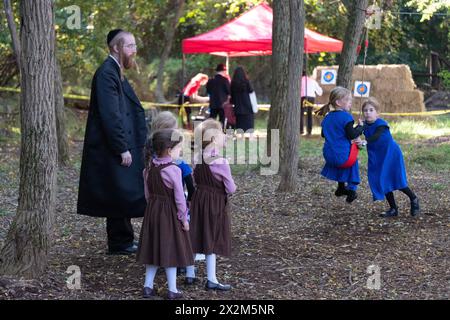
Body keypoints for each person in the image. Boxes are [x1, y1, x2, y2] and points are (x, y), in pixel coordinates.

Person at [77, 29, 147, 255]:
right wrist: (121, 147)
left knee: (120, 190)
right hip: (113, 146)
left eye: (134, 46)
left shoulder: (115, 72)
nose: (133, 51)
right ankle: (120, 242)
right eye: (129, 46)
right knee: (119, 190)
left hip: (119, 143)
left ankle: (123, 240)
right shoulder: (107, 73)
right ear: (115, 47)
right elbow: (111, 114)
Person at [136, 129, 194, 300]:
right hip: (169, 215)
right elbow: (179, 199)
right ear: (169, 150)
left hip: (152, 213)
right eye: (178, 148)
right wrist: (184, 219)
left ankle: (148, 287)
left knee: (153, 249)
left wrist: (154, 209)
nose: (180, 152)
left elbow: (147, 195)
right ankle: (173, 290)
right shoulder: (173, 170)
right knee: (171, 251)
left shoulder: (148, 169)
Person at [187, 119, 236, 291]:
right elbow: (230, 187)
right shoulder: (220, 161)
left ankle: (190, 274)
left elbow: (194, 180)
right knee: (211, 237)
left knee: (196, 232)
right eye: (222, 132)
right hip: (214, 203)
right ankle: (212, 279)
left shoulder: (196, 158)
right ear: (214, 138)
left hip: (199, 200)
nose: (225, 135)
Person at [361, 98, 420, 218]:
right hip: (378, 156)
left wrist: (364, 141)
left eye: (371, 110)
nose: (368, 112)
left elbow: (376, 136)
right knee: (383, 180)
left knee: (397, 180)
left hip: (391, 154)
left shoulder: (381, 124)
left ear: (377, 113)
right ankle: (393, 209)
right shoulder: (364, 125)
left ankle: (414, 199)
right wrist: (357, 129)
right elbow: (353, 133)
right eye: (365, 110)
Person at [316, 86, 364, 203]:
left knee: (342, 161)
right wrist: (360, 127)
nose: (350, 102)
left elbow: (323, 134)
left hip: (328, 155)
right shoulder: (346, 117)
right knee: (352, 162)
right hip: (341, 156)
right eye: (348, 100)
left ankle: (341, 188)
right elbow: (351, 135)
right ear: (338, 102)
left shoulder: (327, 117)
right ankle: (351, 190)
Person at [230, 66, 255, 134]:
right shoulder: (246, 82)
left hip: (238, 108)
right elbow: (251, 92)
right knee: (249, 125)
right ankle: (250, 138)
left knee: (240, 125)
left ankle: (240, 138)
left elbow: (232, 97)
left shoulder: (233, 84)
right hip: (247, 107)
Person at [301, 70, 323, 135]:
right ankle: (309, 131)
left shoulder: (299, 80)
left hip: (302, 97)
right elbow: (320, 92)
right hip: (311, 98)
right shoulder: (312, 81)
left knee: (300, 114)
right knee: (309, 114)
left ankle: (301, 130)